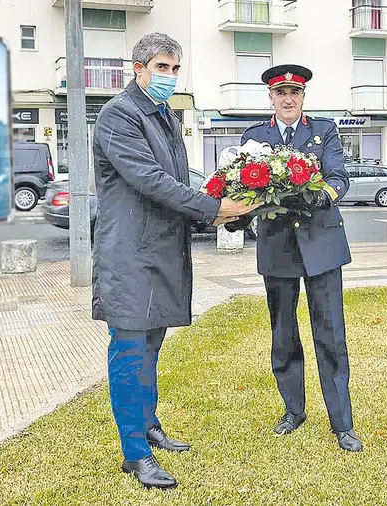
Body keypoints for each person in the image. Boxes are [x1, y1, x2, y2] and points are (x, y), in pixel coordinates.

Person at [91, 32, 262, 489]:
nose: (168, 76)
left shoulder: (165, 114)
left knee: (151, 348)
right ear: (138, 69)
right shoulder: (118, 116)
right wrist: (215, 208)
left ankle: (148, 426)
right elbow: (149, 180)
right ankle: (135, 454)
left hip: (162, 251)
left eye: (174, 69)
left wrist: (225, 205)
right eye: (161, 68)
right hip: (129, 255)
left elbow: (179, 181)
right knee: (129, 351)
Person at [239, 64, 362, 452]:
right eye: (281, 93)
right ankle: (294, 410)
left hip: (322, 245)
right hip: (277, 246)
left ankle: (342, 422)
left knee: (330, 334)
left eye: (295, 93)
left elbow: (339, 176)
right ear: (270, 98)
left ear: (303, 97)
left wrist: (324, 193)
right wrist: (235, 213)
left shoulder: (323, 130)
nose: (288, 99)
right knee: (283, 335)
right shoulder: (254, 137)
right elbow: (244, 186)